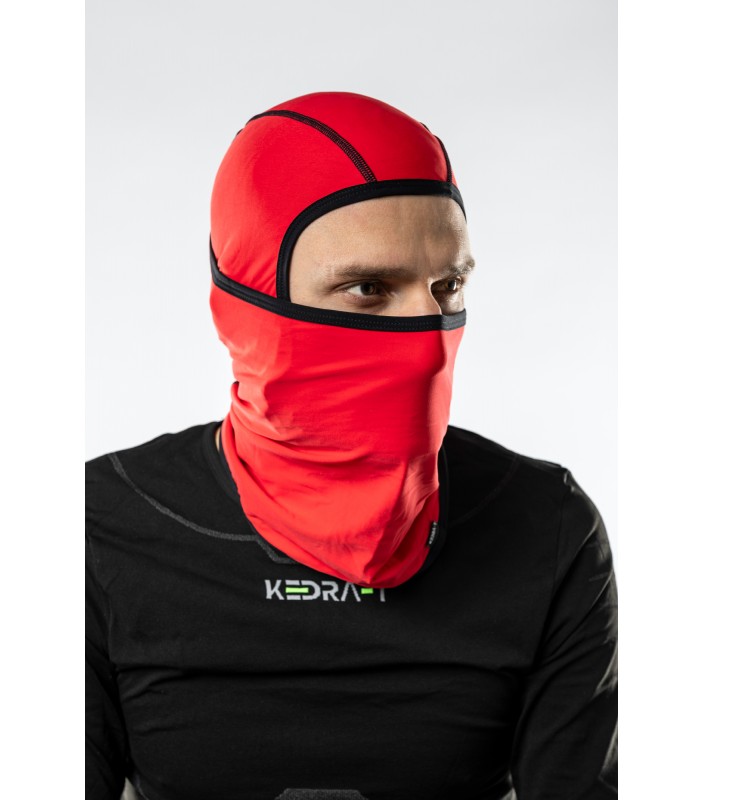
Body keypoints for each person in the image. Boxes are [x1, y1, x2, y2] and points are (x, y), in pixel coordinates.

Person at [86, 91, 618, 800]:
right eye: (368, 287)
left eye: (448, 286)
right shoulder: (103, 528)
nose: (428, 334)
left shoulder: (544, 524)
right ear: (246, 307)